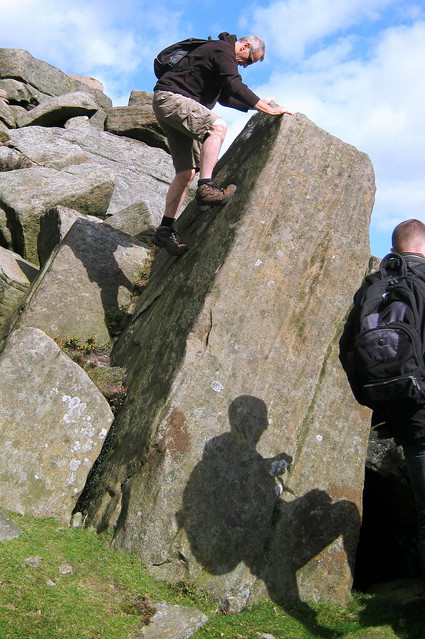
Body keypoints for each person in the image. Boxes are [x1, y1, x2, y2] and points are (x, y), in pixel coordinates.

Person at [339, 219, 425, 598]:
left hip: (404, 412)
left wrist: (380, 400)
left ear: (394, 248)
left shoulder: (372, 288)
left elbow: (349, 351)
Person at [151, 32, 294, 256]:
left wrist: (257, 105)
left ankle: (165, 229)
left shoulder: (218, 55)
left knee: (186, 172)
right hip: (172, 99)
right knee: (217, 127)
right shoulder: (222, 49)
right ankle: (206, 188)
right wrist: (269, 109)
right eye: (248, 60)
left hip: (167, 102)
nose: (245, 65)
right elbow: (234, 84)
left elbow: (227, 96)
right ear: (245, 46)